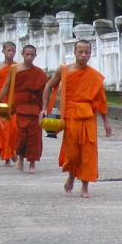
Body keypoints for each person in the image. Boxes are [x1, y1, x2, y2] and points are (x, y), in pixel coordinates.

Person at [42, 39, 112, 198]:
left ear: (90, 54)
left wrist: (106, 122)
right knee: (72, 153)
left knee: (88, 151)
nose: (83, 55)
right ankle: (71, 176)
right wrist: (44, 108)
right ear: (74, 53)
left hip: (88, 117)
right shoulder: (64, 70)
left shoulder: (95, 76)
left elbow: (101, 100)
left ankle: (85, 186)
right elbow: (48, 86)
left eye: (86, 52)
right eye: (80, 52)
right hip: (71, 117)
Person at [0, 44, 48, 173]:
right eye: (27, 54)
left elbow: (44, 92)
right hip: (20, 107)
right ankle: (20, 158)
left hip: (34, 108)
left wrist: (44, 108)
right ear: (22, 54)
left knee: (35, 137)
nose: (29, 57)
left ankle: (32, 163)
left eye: (32, 55)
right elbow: (6, 86)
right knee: (21, 136)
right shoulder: (14, 69)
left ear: (35, 55)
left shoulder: (39, 73)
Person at [0, 41, 18, 166]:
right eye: (8, 50)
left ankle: (12, 151)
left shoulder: (18, 66)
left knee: (14, 128)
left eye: (13, 51)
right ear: (3, 51)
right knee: (3, 129)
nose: (11, 53)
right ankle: (7, 156)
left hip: (13, 100)